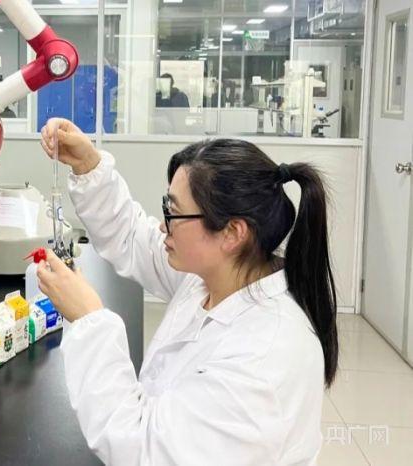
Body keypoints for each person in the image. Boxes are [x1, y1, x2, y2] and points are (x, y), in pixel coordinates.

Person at [37, 118, 338, 466]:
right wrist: (89, 166)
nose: (163, 224)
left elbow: (145, 450)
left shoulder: (263, 361)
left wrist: (90, 319)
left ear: (232, 233)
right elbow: (133, 236)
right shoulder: (218, 276)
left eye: (174, 212)